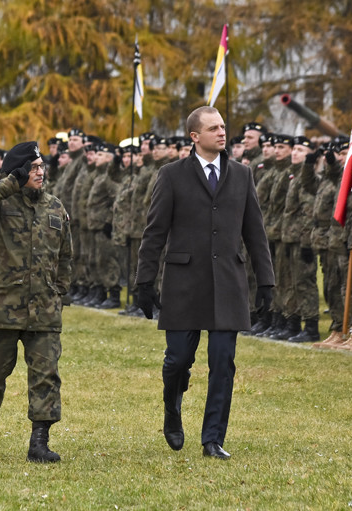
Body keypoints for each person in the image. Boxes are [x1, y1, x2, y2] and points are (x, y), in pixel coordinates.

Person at [135, 106, 274, 460]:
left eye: (224, 127)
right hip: (184, 283)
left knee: (223, 363)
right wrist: (144, 283)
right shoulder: (171, 175)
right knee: (178, 360)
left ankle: (213, 438)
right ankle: (172, 407)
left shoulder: (242, 175)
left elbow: (255, 233)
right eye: (214, 129)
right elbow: (155, 233)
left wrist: (267, 283)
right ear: (195, 136)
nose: (222, 133)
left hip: (228, 283)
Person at [0, 141, 73, 463]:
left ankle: (40, 441)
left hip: (44, 309)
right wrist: (10, 182)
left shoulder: (54, 207)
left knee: (46, 375)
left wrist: (59, 291)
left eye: (41, 167)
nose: (41, 173)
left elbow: (65, 255)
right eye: (33, 168)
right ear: (19, 171)